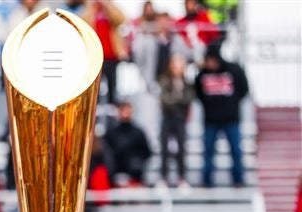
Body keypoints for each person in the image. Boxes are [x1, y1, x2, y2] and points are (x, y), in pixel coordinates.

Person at [195, 46, 249, 188]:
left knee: (236, 150)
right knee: (208, 151)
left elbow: (244, 90)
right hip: (210, 120)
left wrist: (231, 104)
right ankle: (206, 180)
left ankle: (238, 179)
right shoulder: (202, 74)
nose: (209, 64)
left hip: (231, 119)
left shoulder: (234, 70)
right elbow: (198, 94)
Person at [158, 54, 193, 187]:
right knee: (164, 149)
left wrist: (176, 101)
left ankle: (182, 177)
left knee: (182, 148)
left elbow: (189, 99)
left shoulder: (187, 82)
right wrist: (178, 101)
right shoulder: (164, 81)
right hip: (167, 118)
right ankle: (163, 177)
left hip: (180, 119)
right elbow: (165, 100)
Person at [105, 101, 151, 186]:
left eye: (128, 111)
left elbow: (146, 152)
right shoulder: (111, 133)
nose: (125, 114)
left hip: (135, 177)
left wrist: (136, 163)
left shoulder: (138, 132)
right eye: (123, 111)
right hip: (114, 176)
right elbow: (107, 153)